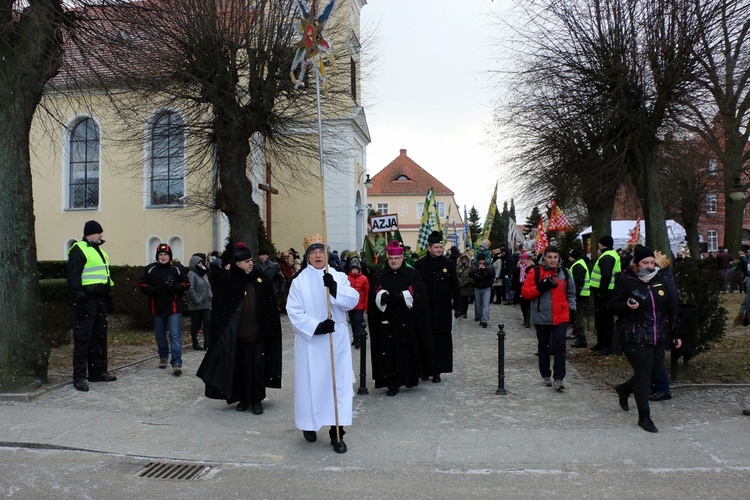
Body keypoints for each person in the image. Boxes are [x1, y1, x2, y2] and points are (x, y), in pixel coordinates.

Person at [286, 234, 359, 454]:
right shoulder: (299, 281)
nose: (318, 256)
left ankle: (337, 433)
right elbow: (294, 311)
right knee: (312, 385)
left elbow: (352, 300)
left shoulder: (337, 275)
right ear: (308, 256)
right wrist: (316, 327)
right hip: (311, 344)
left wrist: (335, 289)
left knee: (338, 386)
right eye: (313, 252)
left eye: (321, 251)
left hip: (336, 341)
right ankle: (309, 423)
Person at [196, 243, 282, 415]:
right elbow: (221, 310)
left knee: (258, 366)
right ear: (237, 264)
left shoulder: (260, 278)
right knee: (240, 367)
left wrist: (270, 327)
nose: (250, 263)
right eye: (246, 261)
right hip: (237, 335)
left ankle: (257, 399)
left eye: (251, 260)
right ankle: (242, 398)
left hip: (258, 333)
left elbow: (270, 304)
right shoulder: (228, 281)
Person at [609, 246, 682, 433]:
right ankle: (644, 417)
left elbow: (672, 309)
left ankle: (624, 389)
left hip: (658, 335)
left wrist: (676, 334)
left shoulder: (662, 281)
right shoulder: (627, 281)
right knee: (643, 373)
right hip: (634, 335)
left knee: (653, 372)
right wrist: (626, 306)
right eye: (645, 263)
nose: (649, 267)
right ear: (636, 264)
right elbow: (612, 306)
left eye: (652, 263)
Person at [368, 240, 433, 396]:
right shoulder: (379, 274)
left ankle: (406, 378)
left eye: (396, 258)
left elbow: (419, 297)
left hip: (407, 321)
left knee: (406, 350)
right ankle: (390, 383)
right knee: (388, 352)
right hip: (386, 322)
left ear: (402, 257)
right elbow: (373, 297)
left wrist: (402, 297)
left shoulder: (412, 274)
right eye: (390, 258)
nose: (393, 261)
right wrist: (383, 298)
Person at [67, 220, 117, 392]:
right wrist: (81, 300)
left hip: (100, 300)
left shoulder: (100, 251)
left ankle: (97, 372)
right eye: (98, 233)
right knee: (83, 340)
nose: (101, 236)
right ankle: (79, 377)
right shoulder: (78, 249)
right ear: (89, 234)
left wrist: (108, 301)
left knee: (98, 338)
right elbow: (73, 279)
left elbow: (105, 277)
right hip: (87, 301)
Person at [521, 245, 576, 391]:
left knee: (560, 346)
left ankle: (559, 377)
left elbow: (571, 292)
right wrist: (540, 288)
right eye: (550, 257)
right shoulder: (535, 272)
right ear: (544, 257)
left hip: (561, 315)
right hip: (542, 316)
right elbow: (525, 293)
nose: (552, 260)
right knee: (544, 346)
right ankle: (545, 373)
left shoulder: (565, 272)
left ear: (559, 258)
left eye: (555, 257)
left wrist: (572, 309)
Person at [414, 231, 461, 383]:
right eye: (436, 247)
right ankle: (424, 370)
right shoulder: (419, 264)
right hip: (425, 308)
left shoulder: (449, 264)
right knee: (425, 338)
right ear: (429, 248)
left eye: (441, 247)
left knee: (441, 341)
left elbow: (455, 286)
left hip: (442, 308)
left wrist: (458, 306)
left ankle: (437, 370)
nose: (439, 250)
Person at [139, 243, 190, 376]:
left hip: (173, 308)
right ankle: (163, 357)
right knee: (160, 336)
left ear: (170, 256)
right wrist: (155, 290)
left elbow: (186, 283)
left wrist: (175, 287)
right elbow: (142, 285)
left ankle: (177, 363)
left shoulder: (177, 269)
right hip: (157, 308)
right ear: (157, 256)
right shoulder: (150, 269)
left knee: (175, 335)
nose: (163, 257)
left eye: (165, 255)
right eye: (160, 255)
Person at [589, 235, 621, 355]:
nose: (598, 244)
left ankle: (606, 345)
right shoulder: (612, 254)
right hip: (608, 292)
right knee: (602, 319)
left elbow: (606, 276)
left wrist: (601, 293)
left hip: (604, 293)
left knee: (604, 320)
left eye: (599, 243)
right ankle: (601, 343)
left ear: (603, 244)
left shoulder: (607, 257)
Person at [187, 253, 212, 350]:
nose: (201, 264)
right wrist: (197, 300)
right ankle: (195, 343)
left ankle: (207, 343)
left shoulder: (204, 273)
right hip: (196, 304)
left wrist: (210, 295)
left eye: (201, 262)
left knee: (207, 323)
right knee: (195, 324)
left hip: (206, 303)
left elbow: (208, 285)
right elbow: (191, 288)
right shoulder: (191, 274)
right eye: (199, 263)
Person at [568, 249, 591, 348]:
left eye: (569, 256)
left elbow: (578, 282)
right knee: (577, 316)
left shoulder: (578, 265)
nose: (568, 258)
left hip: (580, 295)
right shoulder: (579, 263)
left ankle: (581, 339)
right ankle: (579, 336)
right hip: (582, 294)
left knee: (578, 316)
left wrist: (574, 295)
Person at [347, 257, 369, 349]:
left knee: (357, 322)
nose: (355, 271)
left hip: (360, 305)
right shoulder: (347, 278)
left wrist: (366, 307)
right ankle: (355, 338)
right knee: (352, 322)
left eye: (356, 269)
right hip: (350, 305)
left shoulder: (364, 279)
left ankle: (359, 339)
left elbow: (367, 292)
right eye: (353, 269)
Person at [470, 254, 495, 328]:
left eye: (483, 260)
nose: (482, 262)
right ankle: (480, 318)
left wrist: (485, 269)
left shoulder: (489, 265)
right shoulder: (474, 266)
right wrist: (477, 269)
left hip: (486, 287)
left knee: (485, 304)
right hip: (477, 287)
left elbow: (493, 273)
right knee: (478, 305)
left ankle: (484, 320)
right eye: (480, 260)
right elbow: (470, 274)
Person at [513, 253, 533, 328]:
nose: (523, 261)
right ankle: (525, 319)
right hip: (520, 287)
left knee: (527, 305)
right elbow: (515, 278)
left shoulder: (530, 268)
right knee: (522, 305)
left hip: (528, 287)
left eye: (525, 259)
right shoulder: (518, 268)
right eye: (522, 259)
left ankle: (528, 321)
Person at [456, 254, 473, 318]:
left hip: (466, 286)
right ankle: (460, 310)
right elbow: (456, 276)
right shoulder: (457, 267)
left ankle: (465, 312)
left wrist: (465, 283)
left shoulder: (470, 267)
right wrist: (460, 282)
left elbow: (470, 276)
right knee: (460, 299)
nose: (464, 260)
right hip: (459, 286)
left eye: (465, 259)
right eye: (463, 259)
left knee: (465, 300)